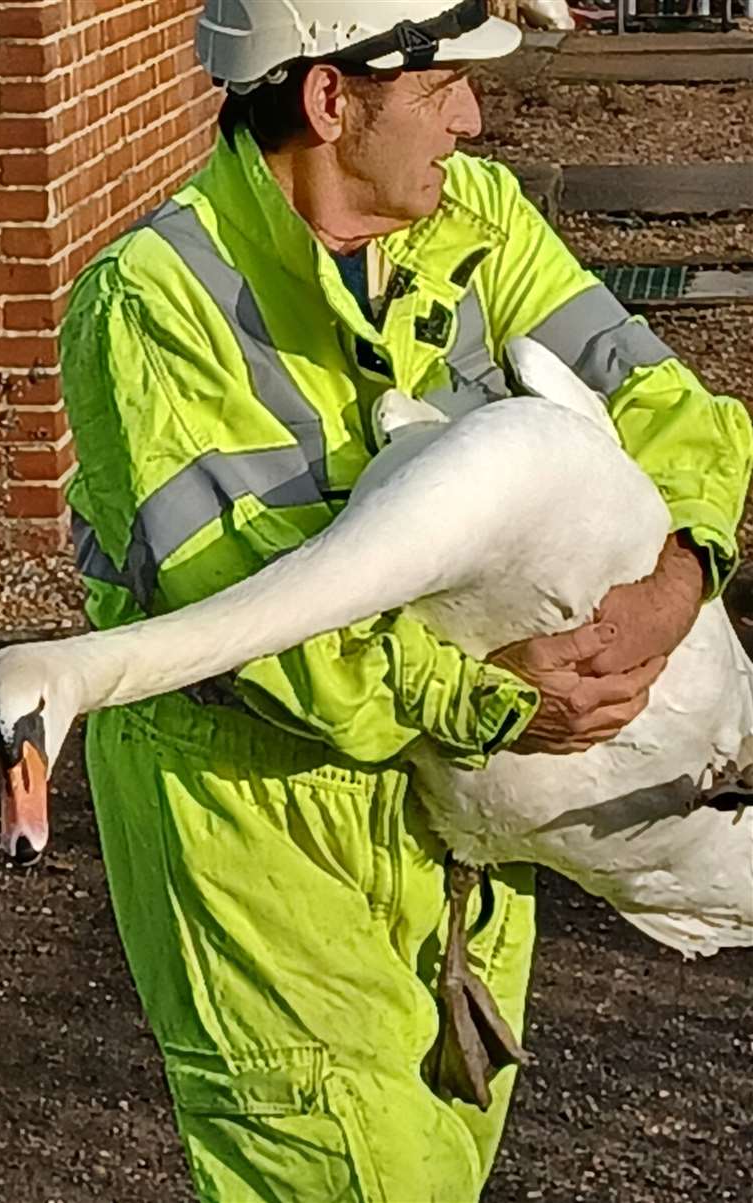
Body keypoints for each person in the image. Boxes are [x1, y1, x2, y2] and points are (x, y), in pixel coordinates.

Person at [58, 2, 753, 1198]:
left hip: (461, 847)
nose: (472, 121)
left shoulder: (479, 225)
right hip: (263, 846)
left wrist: (677, 581)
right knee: (342, 1172)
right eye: (442, 94)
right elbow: (274, 640)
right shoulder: (157, 309)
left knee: (442, 1171)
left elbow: (667, 407)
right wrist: (499, 704)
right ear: (332, 102)